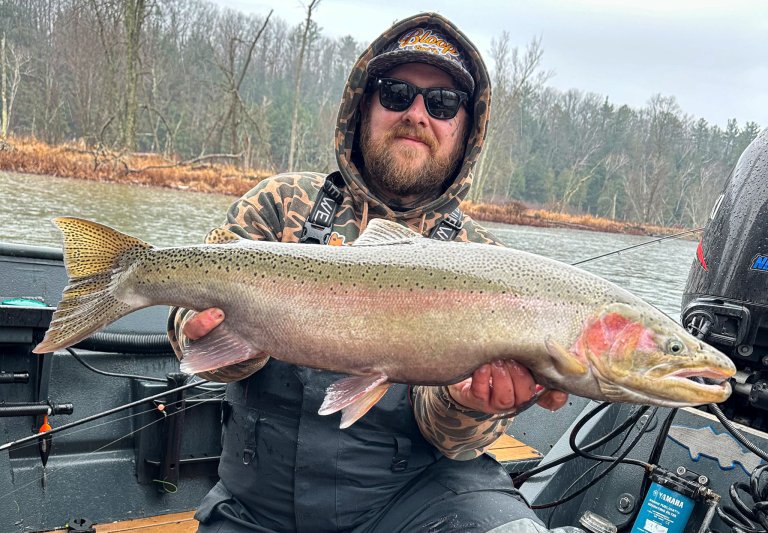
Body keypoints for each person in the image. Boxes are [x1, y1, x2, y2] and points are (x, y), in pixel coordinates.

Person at [168, 12, 574, 533]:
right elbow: (190, 337)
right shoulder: (279, 203)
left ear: (466, 130)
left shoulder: (487, 261)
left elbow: (454, 442)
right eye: (397, 92)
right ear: (364, 105)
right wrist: (199, 333)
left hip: (410, 503)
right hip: (256, 503)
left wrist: (469, 404)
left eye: (443, 102)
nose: (418, 115)